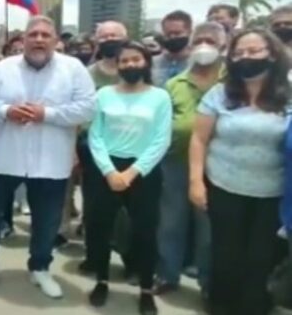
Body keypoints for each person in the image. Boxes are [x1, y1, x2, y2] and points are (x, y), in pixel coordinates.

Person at [0, 16, 96, 297]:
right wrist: (6, 111)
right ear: (23, 39)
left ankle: (40, 268)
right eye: (33, 34)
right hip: (4, 159)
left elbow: (87, 109)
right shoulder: (3, 68)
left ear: (55, 41)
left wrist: (45, 114)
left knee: (47, 220)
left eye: (45, 35)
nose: (39, 39)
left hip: (50, 163)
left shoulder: (73, 69)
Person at [190, 29, 292, 315]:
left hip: (273, 193)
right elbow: (199, 139)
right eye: (239, 53)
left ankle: (254, 306)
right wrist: (196, 182)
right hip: (224, 187)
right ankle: (221, 304)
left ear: (271, 54)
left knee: (261, 256)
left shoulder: (288, 94)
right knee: (226, 253)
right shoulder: (219, 94)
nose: (246, 57)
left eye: (254, 51)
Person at [86, 41, 172, 315]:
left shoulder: (160, 97)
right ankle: (101, 279)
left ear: (146, 62)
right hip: (106, 168)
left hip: (143, 171)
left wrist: (133, 172)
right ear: (117, 65)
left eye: (136, 59)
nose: (130, 65)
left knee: (145, 231)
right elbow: (95, 136)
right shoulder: (103, 95)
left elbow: (161, 139)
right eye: (125, 61)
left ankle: (146, 289)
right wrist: (110, 171)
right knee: (100, 228)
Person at [156, 22, 226, 297]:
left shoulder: (232, 82)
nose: (203, 46)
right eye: (199, 41)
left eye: (210, 40)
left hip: (219, 165)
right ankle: (167, 274)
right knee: (171, 221)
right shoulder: (174, 83)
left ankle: (208, 282)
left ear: (222, 46)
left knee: (208, 227)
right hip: (176, 161)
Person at [78, 21, 129, 273]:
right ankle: (95, 257)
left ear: (125, 38)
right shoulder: (87, 74)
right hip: (94, 148)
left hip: (131, 149)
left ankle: (132, 261)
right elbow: (80, 113)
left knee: (129, 210)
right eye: (104, 36)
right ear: (97, 41)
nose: (109, 39)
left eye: (115, 35)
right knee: (95, 208)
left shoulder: (134, 69)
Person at [152, 10, 193, 87]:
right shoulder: (151, 63)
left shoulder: (198, 64)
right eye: (168, 34)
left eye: (177, 33)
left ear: (189, 32)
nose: (172, 37)